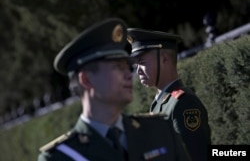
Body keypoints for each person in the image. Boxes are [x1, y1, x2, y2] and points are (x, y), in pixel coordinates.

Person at [37, 18, 191, 161]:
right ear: (86, 79)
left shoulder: (159, 130)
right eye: (118, 67)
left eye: (127, 67)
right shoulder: (60, 157)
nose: (129, 75)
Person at [127, 28, 211, 161]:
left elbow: (196, 155)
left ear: (164, 59)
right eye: (136, 65)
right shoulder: (160, 102)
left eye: (142, 63)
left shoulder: (183, 103)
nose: (138, 71)